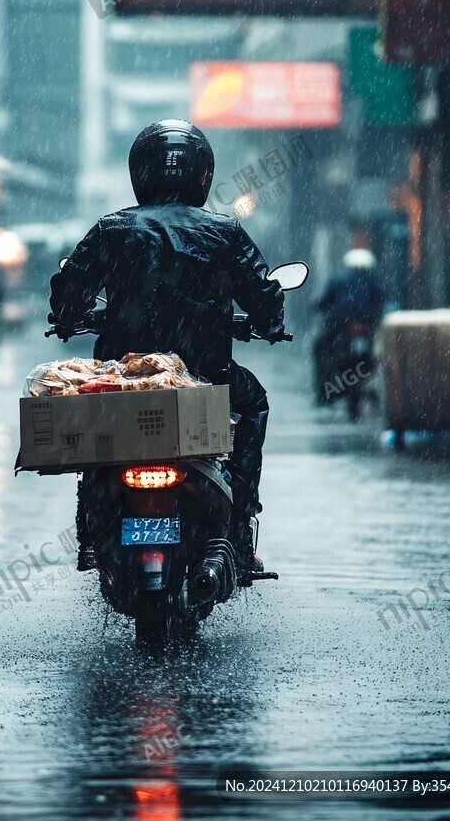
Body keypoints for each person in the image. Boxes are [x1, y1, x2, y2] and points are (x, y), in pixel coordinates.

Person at [49, 119, 285, 571]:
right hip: (207, 376)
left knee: (100, 427)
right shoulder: (225, 232)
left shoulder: (112, 228)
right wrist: (268, 324)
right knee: (253, 404)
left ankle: (91, 533)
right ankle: (238, 531)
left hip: (124, 381)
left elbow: (68, 294)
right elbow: (265, 297)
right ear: (203, 174)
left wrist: (69, 318)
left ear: (139, 172)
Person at [313, 248, 385, 402]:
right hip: (365, 327)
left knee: (320, 349)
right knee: (371, 357)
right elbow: (379, 303)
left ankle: (323, 392)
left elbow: (324, 301)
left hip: (339, 326)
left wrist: (317, 305)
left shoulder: (337, 279)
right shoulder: (374, 282)